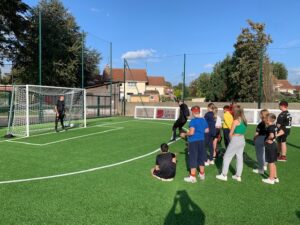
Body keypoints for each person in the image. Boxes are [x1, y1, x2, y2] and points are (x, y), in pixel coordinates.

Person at [216, 105, 247, 182]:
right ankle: (238, 176)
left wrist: (231, 142)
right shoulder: (244, 120)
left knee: (226, 157)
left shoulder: (236, 121)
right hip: (242, 139)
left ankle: (224, 175)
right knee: (239, 158)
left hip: (235, 139)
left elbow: (230, 133)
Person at [180, 106, 209, 183]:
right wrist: (200, 132)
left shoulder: (193, 121)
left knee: (193, 158)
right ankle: (202, 174)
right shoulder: (203, 120)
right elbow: (206, 130)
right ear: (199, 111)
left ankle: (192, 177)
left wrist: (184, 134)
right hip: (201, 141)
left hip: (193, 142)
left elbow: (191, 132)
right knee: (200, 157)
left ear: (192, 112)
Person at [262, 113, 280, 184]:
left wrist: (268, 139)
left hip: (270, 146)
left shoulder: (270, 127)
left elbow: (272, 135)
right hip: (274, 145)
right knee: (273, 162)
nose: (265, 119)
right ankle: (275, 177)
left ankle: (271, 179)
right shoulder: (274, 126)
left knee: (270, 163)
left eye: (266, 118)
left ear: (268, 119)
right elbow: (276, 134)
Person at [253, 109, 269, 174]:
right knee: (265, 152)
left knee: (259, 154)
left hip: (261, 139)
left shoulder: (261, 124)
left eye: (260, 114)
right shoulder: (270, 122)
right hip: (267, 139)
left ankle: (261, 169)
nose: (259, 115)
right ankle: (265, 165)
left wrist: (254, 138)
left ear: (262, 115)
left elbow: (257, 133)